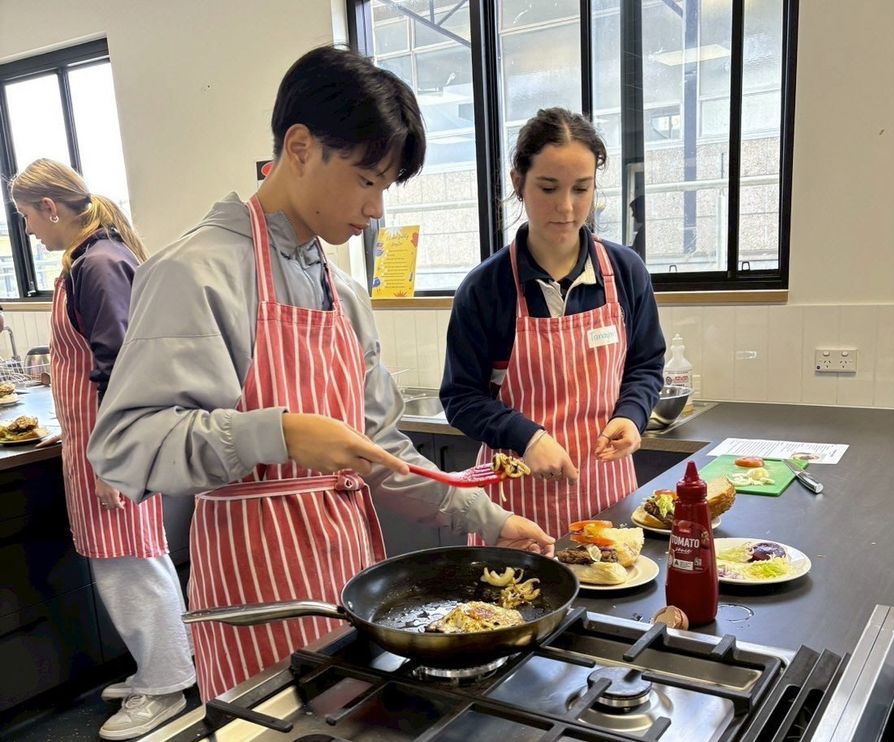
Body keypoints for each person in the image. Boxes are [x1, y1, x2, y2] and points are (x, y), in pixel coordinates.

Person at [87, 46, 554, 703]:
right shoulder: (194, 273)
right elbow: (124, 448)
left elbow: (383, 451)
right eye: (367, 179)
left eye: (385, 187)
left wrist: (487, 515)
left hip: (349, 579)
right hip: (256, 587)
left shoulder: (342, 290)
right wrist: (276, 434)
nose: (376, 209)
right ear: (300, 147)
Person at [10, 159, 195, 740]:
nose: (31, 234)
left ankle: (165, 688)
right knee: (135, 560)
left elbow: (121, 372)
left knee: (129, 567)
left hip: (109, 449)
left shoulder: (100, 263)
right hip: (98, 446)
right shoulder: (91, 259)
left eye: (27, 220)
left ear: (50, 207)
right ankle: (167, 668)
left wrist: (115, 460)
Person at [440, 108, 665, 540]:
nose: (566, 208)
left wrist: (633, 416)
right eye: (548, 188)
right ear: (517, 182)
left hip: (607, 498)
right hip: (515, 511)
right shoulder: (487, 288)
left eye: (581, 189)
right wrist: (527, 437)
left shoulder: (625, 272)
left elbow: (646, 363)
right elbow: (461, 397)